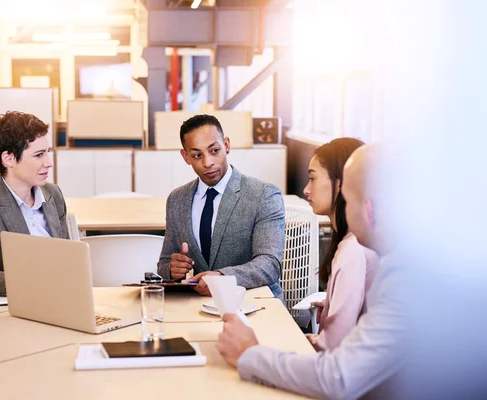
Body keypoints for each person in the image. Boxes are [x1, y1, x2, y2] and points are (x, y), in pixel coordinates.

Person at [216, 145, 407, 399]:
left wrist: (249, 353)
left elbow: (338, 377)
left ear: (368, 210)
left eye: (348, 200)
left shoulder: (402, 279)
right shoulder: (401, 264)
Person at [157, 114, 285, 298]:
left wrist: (222, 278)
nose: (208, 162)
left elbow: (270, 264)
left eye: (214, 150)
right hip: (198, 307)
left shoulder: (263, 195)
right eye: (197, 155)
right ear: (185, 157)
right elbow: (163, 265)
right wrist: (172, 269)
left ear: (226, 145)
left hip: (254, 303)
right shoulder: (177, 200)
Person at [0, 111, 69, 295]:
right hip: (17, 306)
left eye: (48, 153)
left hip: (61, 297)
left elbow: (69, 257)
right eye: (38, 155)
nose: (49, 163)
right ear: (8, 158)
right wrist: (31, 280)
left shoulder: (53, 195)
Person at [303, 138, 379, 350]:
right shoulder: (354, 242)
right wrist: (332, 305)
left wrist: (297, 341)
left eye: (312, 179)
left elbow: (333, 346)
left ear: (341, 182)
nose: (306, 190)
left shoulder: (352, 249)